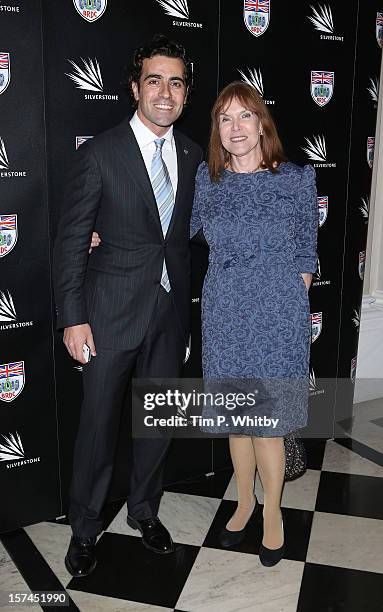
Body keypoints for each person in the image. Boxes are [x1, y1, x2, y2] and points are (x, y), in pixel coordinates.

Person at [53, 35, 202, 577]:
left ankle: (144, 509)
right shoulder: (100, 153)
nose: (166, 92)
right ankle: (85, 528)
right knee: (96, 428)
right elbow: (71, 241)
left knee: (157, 423)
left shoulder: (190, 153)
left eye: (177, 82)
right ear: (136, 87)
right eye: (155, 80)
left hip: (168, 314)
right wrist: (73, 317)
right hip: (109, 312)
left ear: (186, 93)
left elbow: (188, 233)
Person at [190, 82, 318, 566]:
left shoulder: (296, 179)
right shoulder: (208, 178)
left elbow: (307, 245)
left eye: (245, 116)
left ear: (262, 123)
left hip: (276, 315)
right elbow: (172, 229)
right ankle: (243, 501)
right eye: (225, 119)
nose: (236, 128)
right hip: (224, 310)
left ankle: (272, 513)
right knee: (235, 418)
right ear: (217, 131)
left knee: (267, 423)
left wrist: (291, 290)